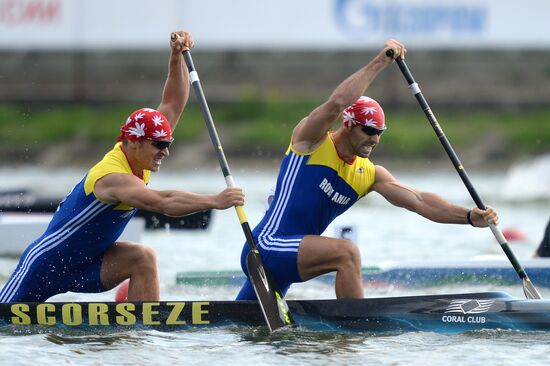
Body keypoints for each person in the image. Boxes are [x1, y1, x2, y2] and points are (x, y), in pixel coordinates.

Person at [236, 39, 499, 300]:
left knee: (239, 324)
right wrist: (381, 61)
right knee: (347, 253)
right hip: (264, 248)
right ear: (348, 125)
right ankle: (357, 329)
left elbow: (420, 202)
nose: (374, 139)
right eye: (369, 131)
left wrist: (468, 217)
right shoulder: (311, 141)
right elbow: (337, 103)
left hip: (289, 260)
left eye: (379, 133)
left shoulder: (370, 174)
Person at [0, 31, 245, 303]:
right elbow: (164, 202)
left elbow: (174, 101)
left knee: (143, 258)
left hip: (90, 264)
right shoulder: (113, 177)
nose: (165, 151)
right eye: (158, 145)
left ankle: (143, 330)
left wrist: (176, 56)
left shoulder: (142, 153)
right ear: (134, 142)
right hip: (45, 267)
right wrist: (215, 200)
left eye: (168, 143)